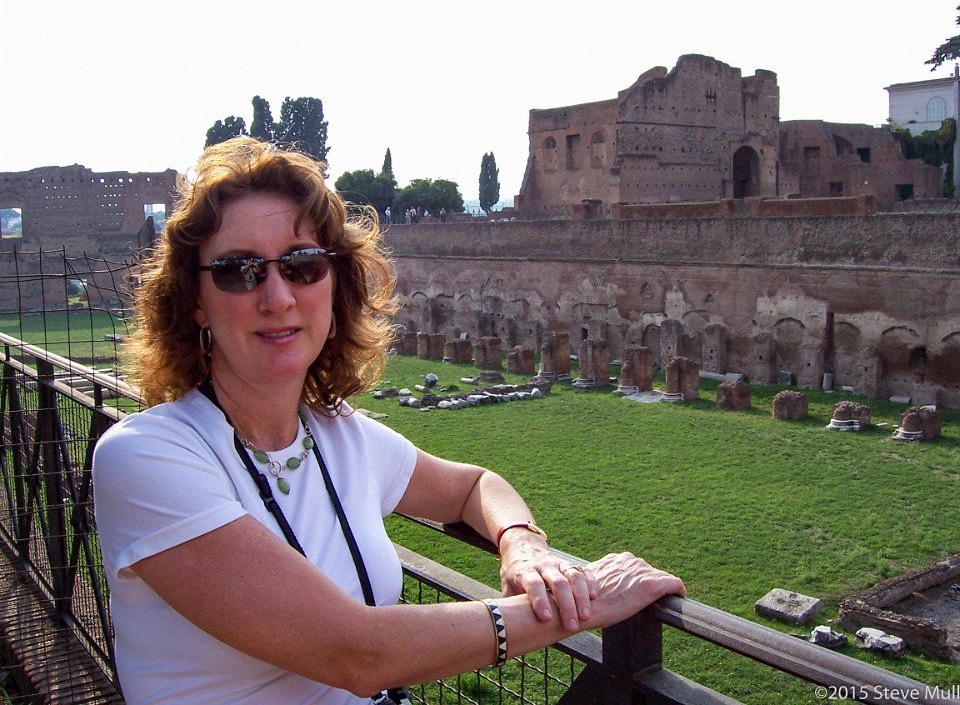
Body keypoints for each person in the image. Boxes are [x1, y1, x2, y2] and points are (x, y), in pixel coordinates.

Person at [92, 137, 686, 705]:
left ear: (335, 285)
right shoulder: (146, 458)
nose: (277, 297)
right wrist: (580, 603)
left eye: (302, 264)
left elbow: (473, 487)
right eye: (238, 270)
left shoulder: (337, 434)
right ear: (196, 300)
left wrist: (522, 545)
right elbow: (357, 653)